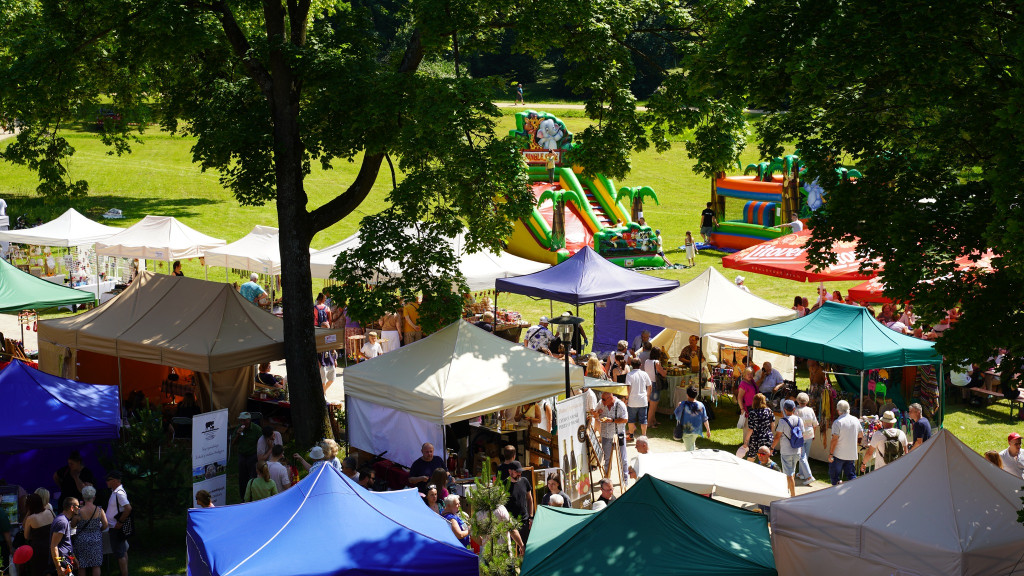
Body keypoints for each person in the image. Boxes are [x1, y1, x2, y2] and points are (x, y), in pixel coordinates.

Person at [594, 391, 629, 483]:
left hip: (618, 435)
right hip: (606, 435)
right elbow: (594, 415)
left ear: (610, 398)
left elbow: (625, 419)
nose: (602, 401)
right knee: (607, 459)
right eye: (601, 399)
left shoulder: (620, 405)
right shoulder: (601, 404)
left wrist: (612, 420)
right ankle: (606, 479)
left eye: (604, 399)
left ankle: (624, 479)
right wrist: (597, 413)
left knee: (622, 458)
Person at [73, 486, 108, 576]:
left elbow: (72, 524)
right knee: (96, 565)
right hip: (96, 539)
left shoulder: (79, 511)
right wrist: (98, 530)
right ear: (94, 497)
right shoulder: (100, 511)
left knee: (81, 565)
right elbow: (105, 524)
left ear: (83, 497)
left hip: (81, 540)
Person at [772, 400, 804, 498]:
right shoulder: (799, 420)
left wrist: (772, 447)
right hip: (797, 450)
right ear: (794, 409)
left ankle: (793, 497)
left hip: (786, 451)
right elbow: (802, 433)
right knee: (792, 472)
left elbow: (777, 436)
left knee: (789, 475)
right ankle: (787, 491)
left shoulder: (782, 421)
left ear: (785, 409)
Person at [828, 400, 863, 485]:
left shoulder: (837, 422)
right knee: (851, 477)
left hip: (838, 454)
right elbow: (861, 435)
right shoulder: (855, 420)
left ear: (838, 411)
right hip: (851, 454)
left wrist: (831, 453)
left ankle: (836, 494)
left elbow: (834, 439)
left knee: (835, 477)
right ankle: (852, 493)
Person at [22, 493, 55, 576]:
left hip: (37, 550)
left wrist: (29, 512)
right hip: (51, 546)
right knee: (51, 571)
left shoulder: (30, 518)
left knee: (38, 571)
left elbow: (26, 536)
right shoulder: (49, 512)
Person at [104, 471, 131, 576]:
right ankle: (125, 573)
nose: (106, 482)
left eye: (108, 480)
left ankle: (124, 574)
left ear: (114, 481)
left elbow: (128, 508)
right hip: (115, 527)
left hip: (116, 528)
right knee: (123, 551)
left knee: (120, 554)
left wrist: (120, 522)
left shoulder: (119, 493)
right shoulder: (115, 492)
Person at [231, 412, 262, 500]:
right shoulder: (239, 428)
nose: (242, 422)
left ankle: (252, 496)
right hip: (242, 455)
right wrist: (237, 434)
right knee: (242, 478)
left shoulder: (256, 429)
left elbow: (262, 442)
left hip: (252, 455)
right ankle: (243, 497)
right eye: (241, 420)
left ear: (249, 420)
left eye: (244, 420)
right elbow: (233, 444)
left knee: (252, 477)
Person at [673, 386, 712, 451]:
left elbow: (677, 415)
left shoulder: (683, 404)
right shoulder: (701, 405)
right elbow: (705, 419)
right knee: (691, 445)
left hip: (686, 430)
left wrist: (679, 406)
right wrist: (708, 430)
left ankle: (692, 460)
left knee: (689, 450)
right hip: (696, 430)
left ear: (687, 395)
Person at [505, 461, 534, 542]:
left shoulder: (524, 481)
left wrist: (531, 517)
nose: (519, 474)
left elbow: (529, 499)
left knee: (525, 548)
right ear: (509, 471)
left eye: (520, 471)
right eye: (517, 472)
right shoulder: (504, 485)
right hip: (511, 524)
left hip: (524, 521)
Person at [795, 392, 819, 485]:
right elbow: (815, 424)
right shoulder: (810, 410)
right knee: (805, 456)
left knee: (802, 456)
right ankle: (802, 473)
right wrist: (814, 434)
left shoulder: (796, 411)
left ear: (798, 400)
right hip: (809, 433)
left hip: (800, 435)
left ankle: (809, 476)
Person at [49, 497, 77, 576]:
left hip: (66, 561)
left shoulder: (64, 520)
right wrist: (59, 567)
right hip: (62, 563)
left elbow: (66, 543)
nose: (79, 508)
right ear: (72, 508)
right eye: (78, 506)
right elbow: (54, 545)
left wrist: (74, 559)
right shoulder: (62, 522)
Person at [624, 358, 651, 440]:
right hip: (643, 400)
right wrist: (648, 396)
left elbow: (628, 387)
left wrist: (626, 397)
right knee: (643, 420)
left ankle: (631, 435)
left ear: (631, 365)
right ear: (640, 365)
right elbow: (649, 386)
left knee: (631, 419)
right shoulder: (645, 374)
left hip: (632, 401)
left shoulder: (629, 375)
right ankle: (644, 436)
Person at [744, 393, 775, 460]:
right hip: (767, 437)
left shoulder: (752, 413)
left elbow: (750, 429)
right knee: (765, 458)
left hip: (756, 438)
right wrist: (770, 434)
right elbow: (773, 425)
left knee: (751, 458)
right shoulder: (769, 411)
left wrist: (746, 442)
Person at [644, 348, 668, 428]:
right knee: (653, 405)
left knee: (652, 404)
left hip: (647, 384)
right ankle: (649, 423)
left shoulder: (647, 361)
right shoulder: (657, 362)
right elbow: (663, 374)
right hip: (654, 384)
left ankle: (653, 420)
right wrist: (666, 370)